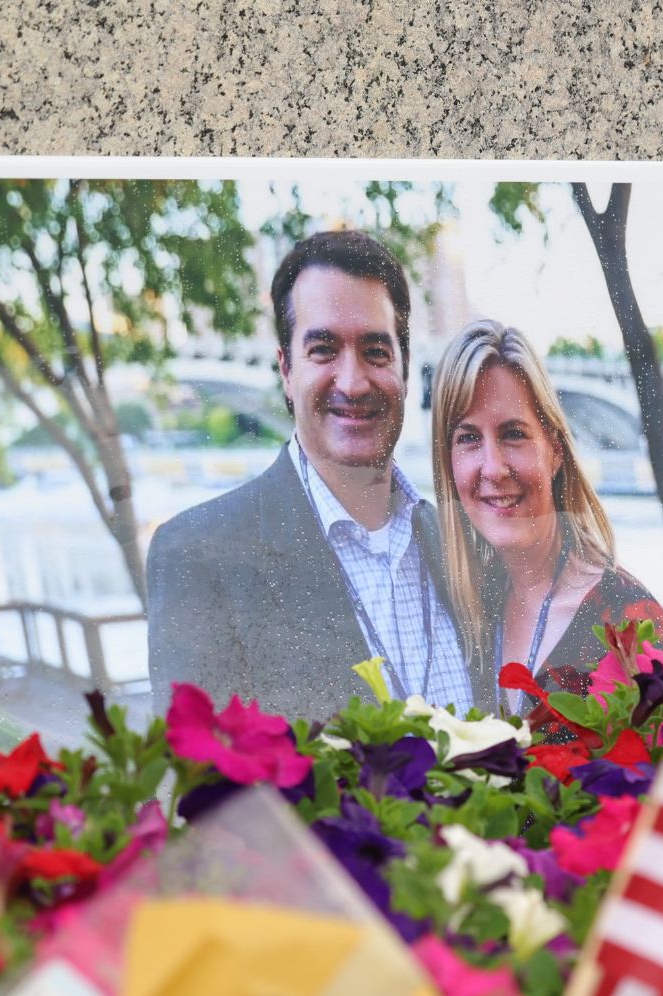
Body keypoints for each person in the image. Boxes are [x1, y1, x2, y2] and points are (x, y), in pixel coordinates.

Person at [146, 230, 477, 719]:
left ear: (405, 368)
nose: (353, 382)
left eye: (376, 351)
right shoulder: (199, 557)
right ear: (286, 370)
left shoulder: (463, 544)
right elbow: (194, 766)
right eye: (323, 349)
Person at [429, 319, 663, 711]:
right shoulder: (467, 618)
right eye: (468, 438)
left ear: (555, 451)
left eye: (513, 434)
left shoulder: (628, 624)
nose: (493, 468)